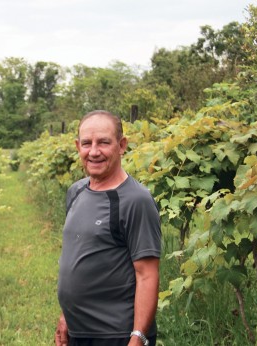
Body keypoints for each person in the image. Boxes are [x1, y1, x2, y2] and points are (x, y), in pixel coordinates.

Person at [55, 110, 161, 346]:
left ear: (122, 145)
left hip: (115, 335)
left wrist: (138, 338)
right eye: (86, 143)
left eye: (103, 142)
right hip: (79, 332)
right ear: (77, 146)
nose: (94, 151)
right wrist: (67, 316)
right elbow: (79, 259)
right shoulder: (76, 192)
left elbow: (147, 275)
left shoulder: (136, 200)